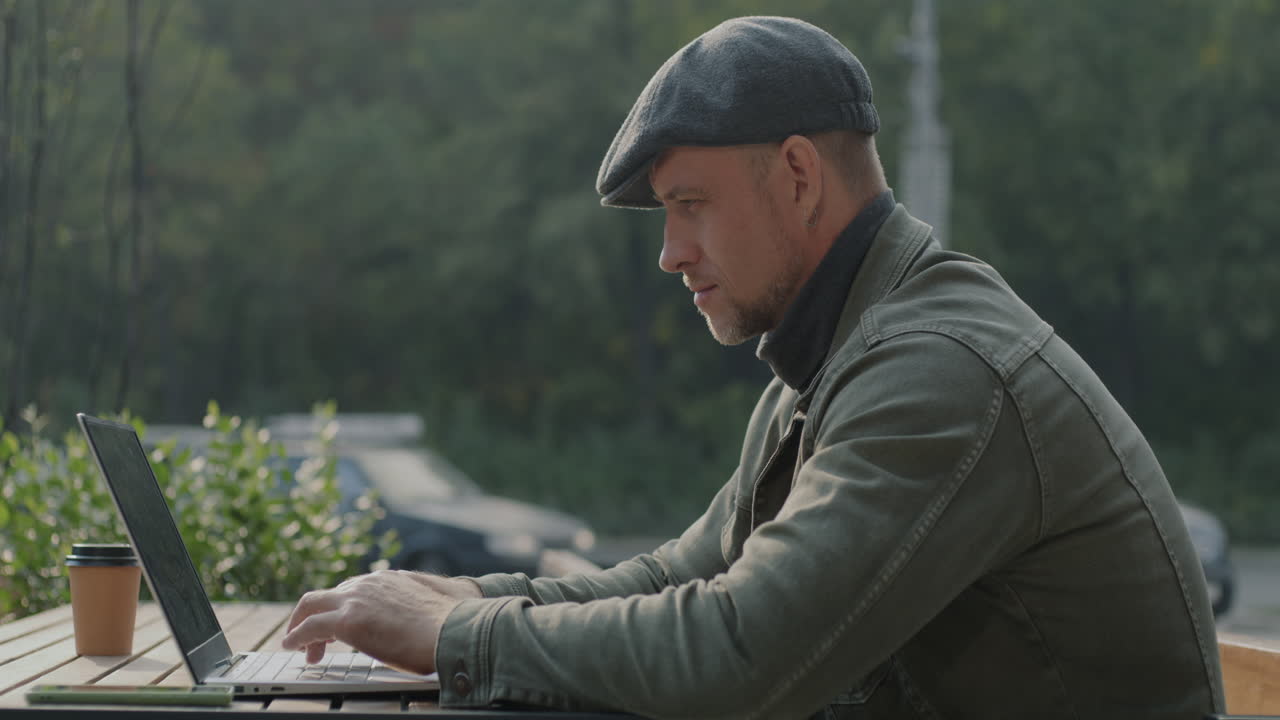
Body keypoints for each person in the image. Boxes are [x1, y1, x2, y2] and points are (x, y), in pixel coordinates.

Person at [283, 16, 1223, 719]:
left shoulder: (937, 372)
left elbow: (739, 654)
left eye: (690, 203)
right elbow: (679, 580)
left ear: (801, 175)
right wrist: (462, 600)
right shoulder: (835, 363)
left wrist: (457, 637)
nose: (671, 253)